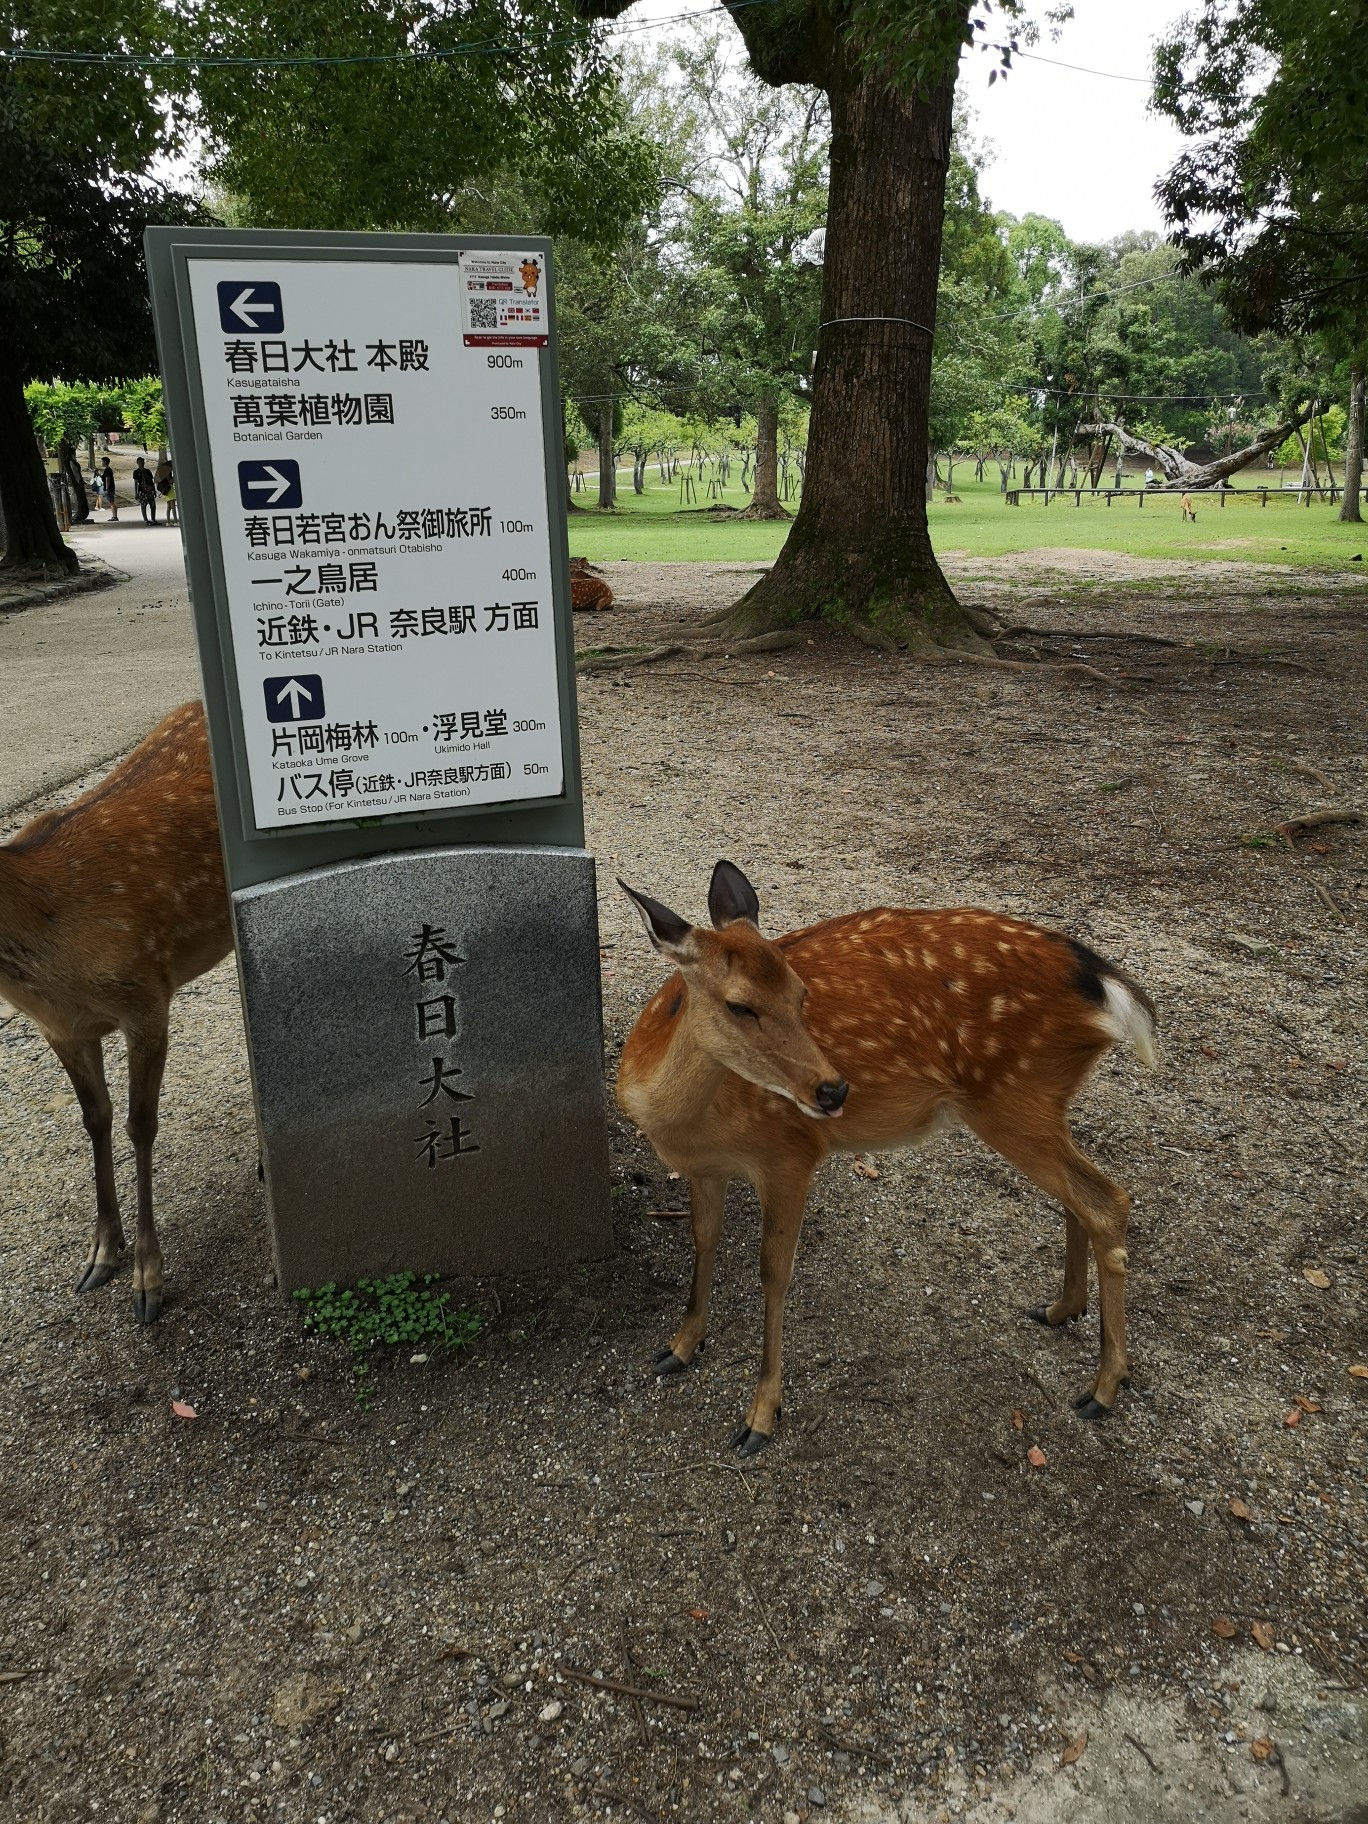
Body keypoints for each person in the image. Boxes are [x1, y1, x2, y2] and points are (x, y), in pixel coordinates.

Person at [133, 456, 157, 524]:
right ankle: (146, 520)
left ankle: (153, 519)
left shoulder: (147, 471)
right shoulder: (136, 472)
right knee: (143, 505)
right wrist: (136, 493)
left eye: (142, 462)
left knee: (153, 505)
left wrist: (154, 490)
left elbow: (152, 481)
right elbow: (135, 483)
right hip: (142, 491)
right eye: (140, 462)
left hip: (150, 490)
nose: (142, 463)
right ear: (137, 463)